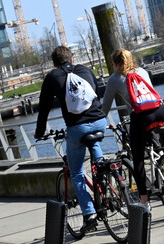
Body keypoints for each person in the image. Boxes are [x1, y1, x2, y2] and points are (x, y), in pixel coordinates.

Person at [35, 45, 107, 232]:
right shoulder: (84, 69)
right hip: (100, 121)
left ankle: (89, 213)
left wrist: (40, 131)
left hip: (78, 127)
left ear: (55, 63)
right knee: (97, 155)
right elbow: (96, 91)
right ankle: (104, 177)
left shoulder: (53, 77)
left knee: (76, 172)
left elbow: (44, 107)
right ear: (71, 58)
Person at [101, 48, 164, 208]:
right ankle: (161, 154)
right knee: (147, 128)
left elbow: (105, 108)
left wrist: (98, 124)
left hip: (141, 116)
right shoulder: (142, 71)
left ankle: (144, 201)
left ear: (115, 63)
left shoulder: (114, 78)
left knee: (137, 158)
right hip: (161, 110)